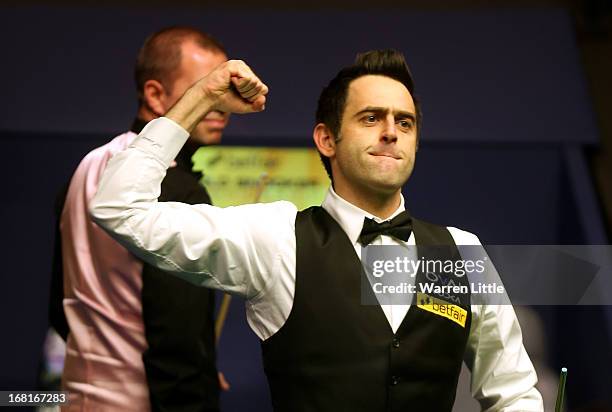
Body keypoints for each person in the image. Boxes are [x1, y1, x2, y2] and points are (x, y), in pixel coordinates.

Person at [90, 50, 544, 411]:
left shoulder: (460, 253)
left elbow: (514, 392)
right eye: (371, 118)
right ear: (326, 139)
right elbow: (118, 207)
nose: (391, 132)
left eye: (404, 123)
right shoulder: (274, 239)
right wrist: (200, 98)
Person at [53, 26, 230, 411]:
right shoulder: (179, 189)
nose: (222, 106)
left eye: (224, 91)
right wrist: (194, 382)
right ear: (154, 94)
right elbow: (177, 340)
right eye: (206, 90)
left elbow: (60, 305)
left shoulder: (89, 164)